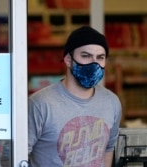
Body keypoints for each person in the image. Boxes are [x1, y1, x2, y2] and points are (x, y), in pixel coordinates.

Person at [28, 26, 122, 167]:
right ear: (67, 60)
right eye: (85, 56)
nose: (94, 63)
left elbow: (108, 148)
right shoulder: (40, 104)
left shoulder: (111, 102)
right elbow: (12, 155)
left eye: (100, 57)